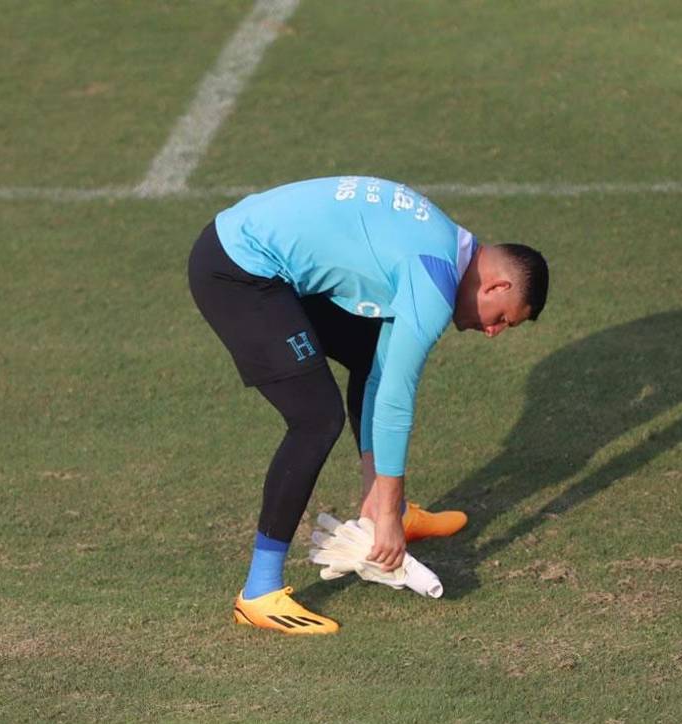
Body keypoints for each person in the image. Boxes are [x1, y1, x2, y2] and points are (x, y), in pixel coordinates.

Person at [188, 176, 549, 634]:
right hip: (237, 271)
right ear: (496, 286)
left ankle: (379, 512)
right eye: (502, 320)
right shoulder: (433, 281)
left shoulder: (446, 247)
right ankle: (259, 592)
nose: (494, 332)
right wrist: (392, 513)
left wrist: (384, 506)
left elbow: (380, 373)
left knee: (365, 354)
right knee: (315, 418)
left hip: (258, 257)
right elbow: (396, 397)